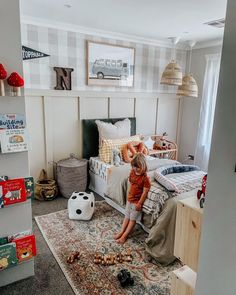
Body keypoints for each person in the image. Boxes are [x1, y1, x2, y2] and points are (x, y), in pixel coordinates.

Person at [114, 153, 151, 244]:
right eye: (133, 167)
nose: (135, 169)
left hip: (136, 202)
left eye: (137, 167)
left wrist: (140, 203)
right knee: (127, 216)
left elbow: (145, 192)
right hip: (130, 199)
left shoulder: (145, 178)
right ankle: (121, 232)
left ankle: (125, 236)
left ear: (143, 166)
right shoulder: (132, 172)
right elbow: (131, 183)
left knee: (132, 219)